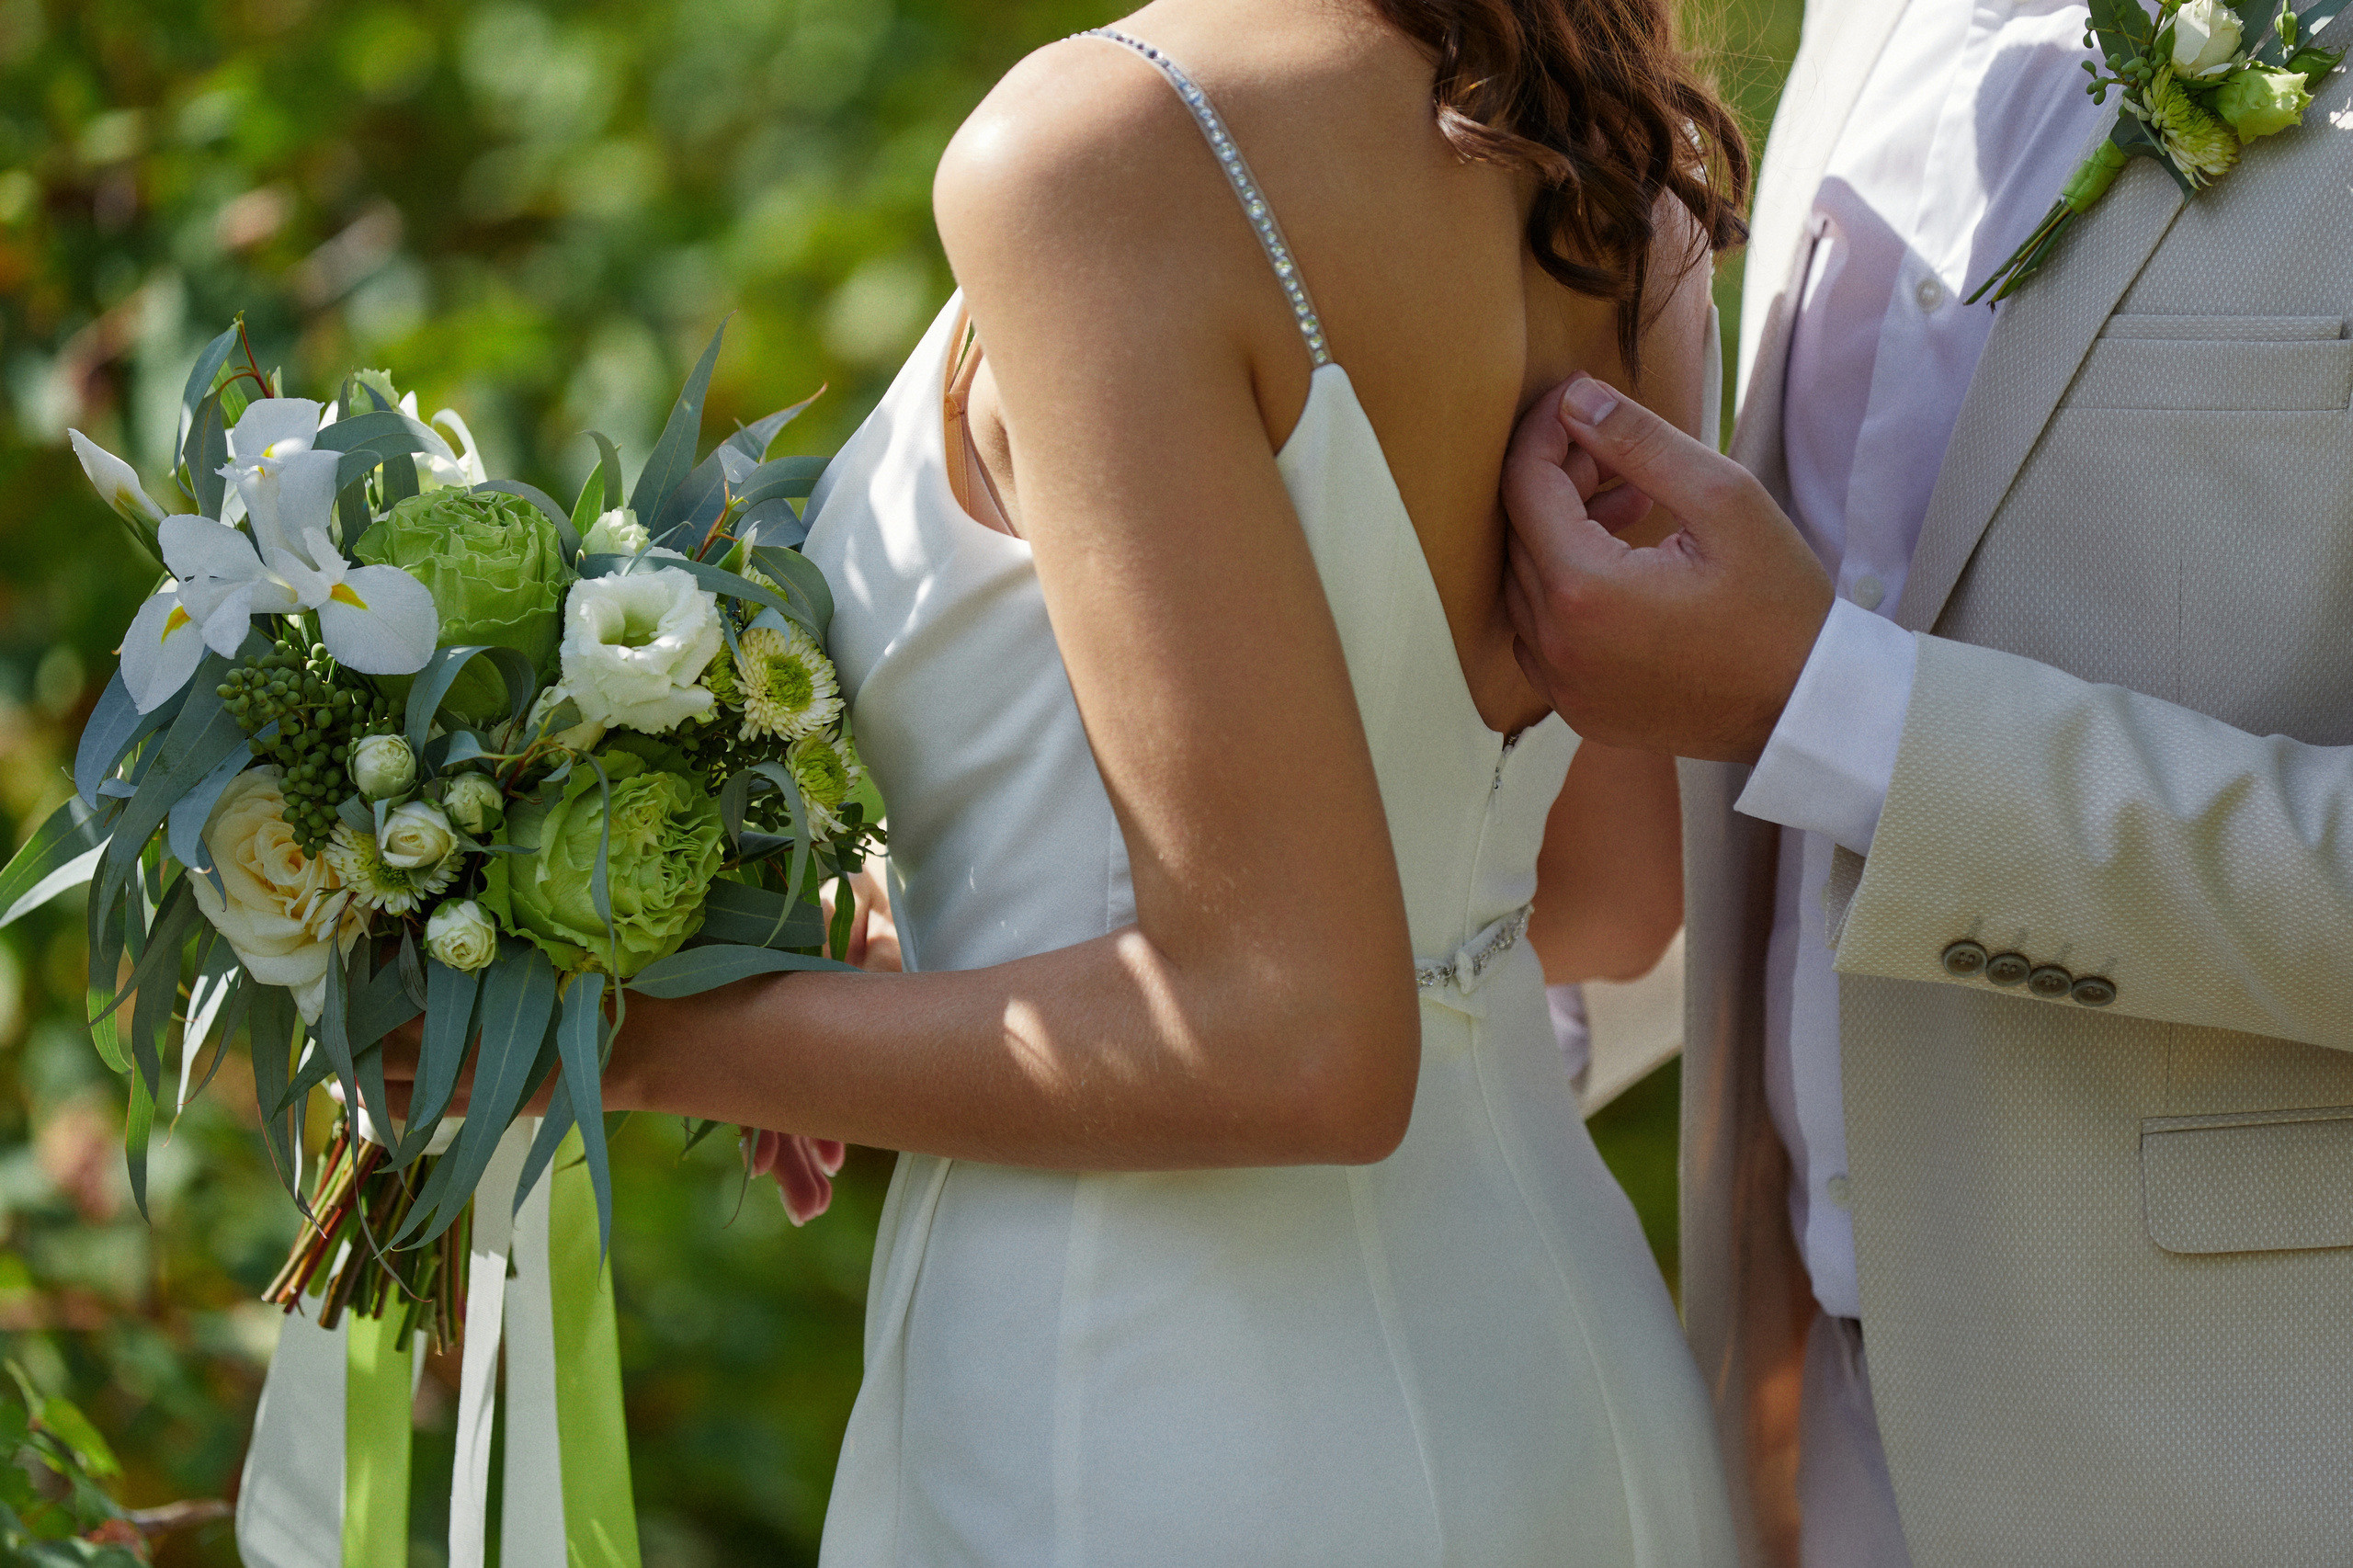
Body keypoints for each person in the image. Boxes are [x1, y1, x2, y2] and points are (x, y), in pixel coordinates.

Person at [385, 0, 1745, 1560]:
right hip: (1562, 1378)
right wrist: (935, 947)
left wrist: (639, 1038)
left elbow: (1295, 1036)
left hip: (1162, 1411)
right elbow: (1610, 897)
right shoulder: (1601, 165)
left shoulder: (1099, 150)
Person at [1498, 0, 2353, 1559]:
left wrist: (1840, 705)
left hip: (2252, 1452)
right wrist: (1446, 1045)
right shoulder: (1867, 31)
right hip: (1803, 1421)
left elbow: (1822, 712)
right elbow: (1792, 843)